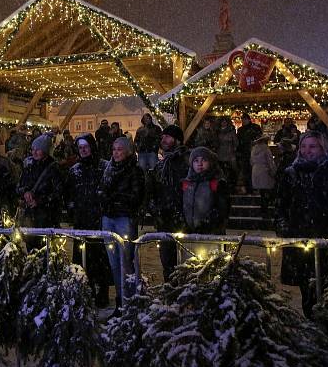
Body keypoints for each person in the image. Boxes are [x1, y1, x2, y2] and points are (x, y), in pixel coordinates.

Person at [275, 131, 328, 318]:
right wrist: (284, 227)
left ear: (322, 147)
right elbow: (281, 204)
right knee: (307, 289)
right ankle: (312, 327)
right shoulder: (292, 173)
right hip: (301, 239)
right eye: (303, 146)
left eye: (312, 146)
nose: (307, 151)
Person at [65, 133, 111, 307]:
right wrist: (72, 210)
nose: (83, 150)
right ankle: (87, 288)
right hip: (81, 220)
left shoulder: (104, 167)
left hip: (99, 220)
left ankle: (103, 291)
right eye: (80, 147)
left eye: (86, 146)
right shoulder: (75, 170)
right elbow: (69, 194)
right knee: (83, 258)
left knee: (101, 258)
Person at [98, 137, 144, 308]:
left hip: (124, 218)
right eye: (114, 149)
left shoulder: (134, 171)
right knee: (114, 263)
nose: (116, 153)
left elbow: (135, 196)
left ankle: (129, 299)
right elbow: (101, 189)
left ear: (128, 151)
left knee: (126, 261)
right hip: (108, 218)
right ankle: (120, 298)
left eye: (120, 149)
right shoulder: (109, 169)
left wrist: (114, 200)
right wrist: (106, 200)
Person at [148, 124, 189, 281]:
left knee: (187, 263)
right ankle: (170, 293)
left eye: (168, 136)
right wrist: (155, 209)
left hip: (183, 220)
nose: (163, 139)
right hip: (164, 219)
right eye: (163, 136)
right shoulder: (160, 165)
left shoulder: (186, 162)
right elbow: (152, 191)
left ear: (177, 140)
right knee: (168, 263)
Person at [180, 147, 230, 258]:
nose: (200, 164)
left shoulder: (216, 183)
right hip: (190, 236)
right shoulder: (186, 184)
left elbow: (222, 209)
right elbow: (182, 206)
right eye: (196, 160)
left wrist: (206, 224)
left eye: (204, 160)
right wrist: (184, 224)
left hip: (211, 235)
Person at [17, 133, 63, 232]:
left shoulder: (54, 168)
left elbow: (58, 192)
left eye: (38, 150)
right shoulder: (29, 166)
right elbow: (19, 186)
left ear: (45, 151)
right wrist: (25, 192)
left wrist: (40, 201)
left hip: (47, 217)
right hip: (29, 217)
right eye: (33, 149)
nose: (34, 152)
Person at [236, 113, 262, 193]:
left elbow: (260, 138)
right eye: (242, 119)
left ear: (248, 119)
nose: (243, 121)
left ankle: (255, 187)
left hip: (254, 152)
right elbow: (238, 142)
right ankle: (249, 188)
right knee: (246, 171)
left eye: (245, 119)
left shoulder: (255, 128)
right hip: (245, 154)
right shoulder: (240, 130)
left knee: (254, 171)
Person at [250, 136, 276, 215]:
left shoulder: (253, 149)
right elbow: (270, 161)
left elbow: (251, 161)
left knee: (261, 191)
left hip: (255, 170)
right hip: (264, 170)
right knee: (266, 190)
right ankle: (265, 208)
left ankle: (262, 208)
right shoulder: (266, 149)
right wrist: (273, 171)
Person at [215, 116, 238, 188]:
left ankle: (232, 185)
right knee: (222, 170)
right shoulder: (217, 131)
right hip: (220, 154)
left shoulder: (231, 131)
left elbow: (236, 142)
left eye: (225, 122)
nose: (224, 123)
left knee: (231, 171)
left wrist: (234, 148)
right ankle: (223, 185)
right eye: (222, 122)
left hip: (229, 154)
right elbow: (215, 142)